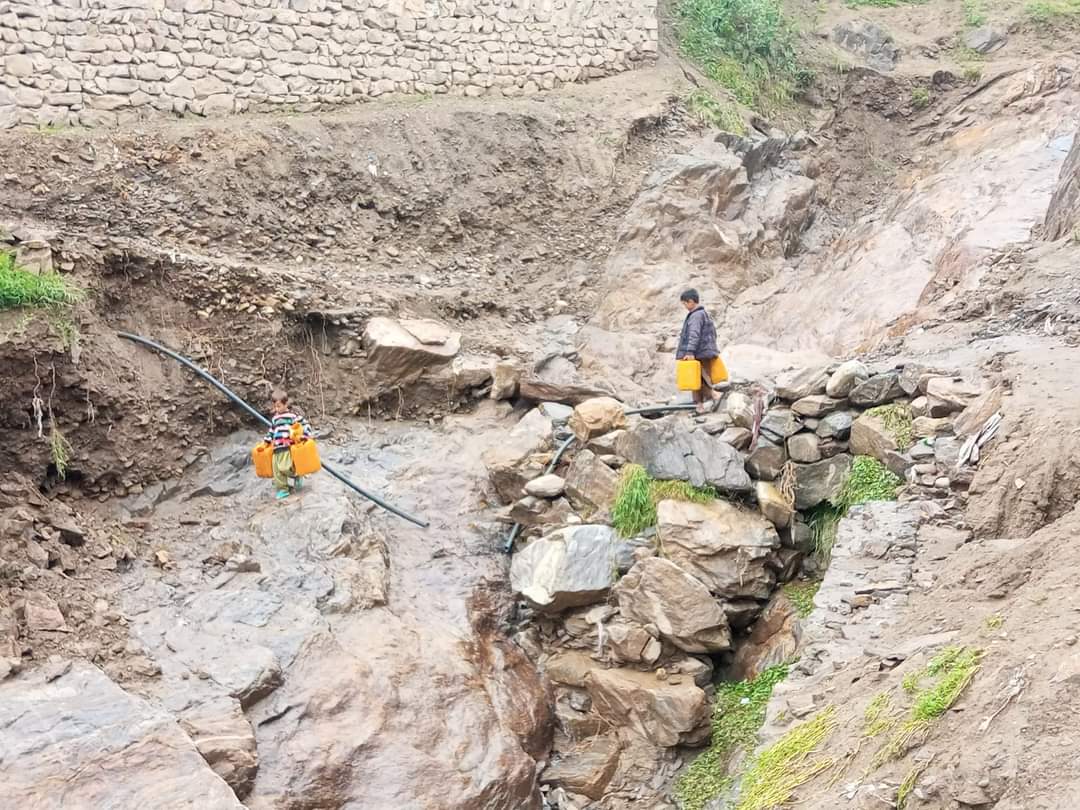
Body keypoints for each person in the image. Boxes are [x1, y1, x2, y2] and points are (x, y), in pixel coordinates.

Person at [677, 288, 723, 414]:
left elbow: (694, 334)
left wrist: (690, 351)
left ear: (691, 301)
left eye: (685, 304)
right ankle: (699, 405)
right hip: (704, 351)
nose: (685, 306)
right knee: (696, 379)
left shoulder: (696, 316)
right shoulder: (702, 314)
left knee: (698, 378)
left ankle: (713, 395)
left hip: (699, 352)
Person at [262, 389, 313, 500]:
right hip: (276, 447)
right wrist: (266, 440)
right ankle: (283, 489)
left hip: (287, 446)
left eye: (279, 406)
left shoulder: (292, 417)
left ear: (285, 404)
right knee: (277, 471)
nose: (276, 409)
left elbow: (305, 424)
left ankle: (297, 475)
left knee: (285, 467)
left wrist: (305, 434)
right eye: (275, 407)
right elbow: (271, 431)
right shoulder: (275, 418)